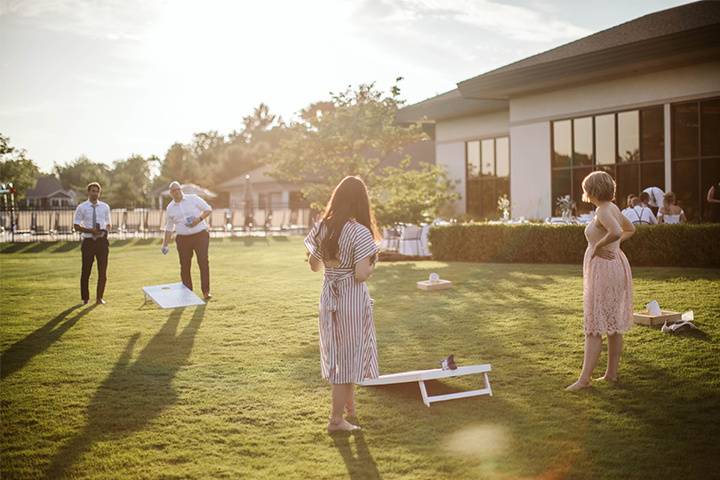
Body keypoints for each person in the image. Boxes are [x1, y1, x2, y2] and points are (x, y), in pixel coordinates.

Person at [304, 176, 381, 432]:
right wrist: (372, 263)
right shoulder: (360, 232)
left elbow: (314, 266)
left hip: (328, 295)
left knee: (340, 353)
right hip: (350, 297)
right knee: (347, 358)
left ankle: (349, 411)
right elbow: (360, 274)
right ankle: (336, 420)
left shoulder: (322, 227)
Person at [567, 171, 635, 392]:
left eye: (586, 187)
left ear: (592, 190)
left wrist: (598, 247)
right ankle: (611, 374)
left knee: (595, 326)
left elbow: (617, 231)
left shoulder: (603, 210)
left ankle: (584, 379)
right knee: (613, 324)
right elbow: (630, 229)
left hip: (605, 271)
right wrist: (612, 246)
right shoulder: (613, 208)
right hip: (614, 267)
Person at [161, 181, 213, 300]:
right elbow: (169, 227)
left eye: (178, 189)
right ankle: (188, 293)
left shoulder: (193, 198)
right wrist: (165, 244)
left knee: (203, 262)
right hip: (183, 239)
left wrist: (198, 220)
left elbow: (208, 209)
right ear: (171, 193)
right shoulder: (170, 208)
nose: (176, 192)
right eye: (173, 191)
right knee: (184, 265)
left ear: (181, 189)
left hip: (200, 235)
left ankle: (206, 291)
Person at [73, 182, 112, 305]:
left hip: (102, 242)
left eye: (97, 191)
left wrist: (104, 230)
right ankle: (85, 298)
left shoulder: (105, 207)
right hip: (88, 242)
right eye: (93, 191)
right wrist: (91, 231)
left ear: (99, 193)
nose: (95, 193)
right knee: (86, 271)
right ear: (88, 192)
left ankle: (99, 298)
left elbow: (109, 224)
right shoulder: (82, 207)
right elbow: (76, 226)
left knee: (103, 272)